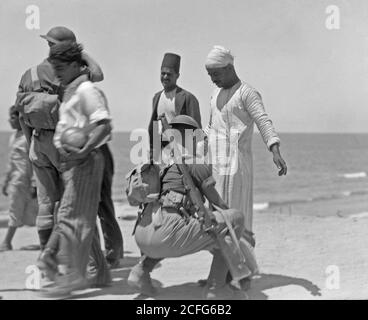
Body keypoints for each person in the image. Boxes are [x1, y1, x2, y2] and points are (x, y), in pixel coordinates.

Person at [130, 115, 248, 300]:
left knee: (173, 224)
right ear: (191, 137)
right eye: (198, 138)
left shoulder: (162, 166)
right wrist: (228, 213)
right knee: (235, 219)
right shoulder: (193, 162)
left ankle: (140, 272)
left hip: (143, 234)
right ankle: (216, 288)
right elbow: (214, 198)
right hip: (167, 235)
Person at [37, 41, 113, 297]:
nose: (55, 72)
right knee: (79, 217)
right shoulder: (71, 90)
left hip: (85, 161)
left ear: (73, 65)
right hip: (71, 163)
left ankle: (72, 278)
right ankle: (100, 273)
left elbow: (104, 125)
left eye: (59, 67)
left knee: (70, 218)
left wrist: (83, 150)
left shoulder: (87, 91)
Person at [204, 45, 287, 263]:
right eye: (210, 75)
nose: (213, 79)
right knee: (217, 219)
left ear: (229, 67)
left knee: (237, 216)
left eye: (216, 73)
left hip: (237, 166)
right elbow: (210, 127)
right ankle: (220, 272)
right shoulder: (214, 95)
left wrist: (274, 149)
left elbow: (263, 120)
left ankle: (242, 271)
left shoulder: (247, 93)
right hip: (216, 165)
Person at [148, 53, 202, 161]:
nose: (165, 77)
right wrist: (153, 152)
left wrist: (196, 157)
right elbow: (154, 127)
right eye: (163, 73)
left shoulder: (188, 98)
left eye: (169, 74)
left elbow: (197, 132)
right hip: (163, 153)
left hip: (184, 154)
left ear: (177, 75)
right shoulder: (157, 97)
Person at [0, 106, 38, 251]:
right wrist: (6, 182)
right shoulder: (13, 137)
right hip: (15, 181)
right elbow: (11, 162)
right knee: (17, 210)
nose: (10, 120)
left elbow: (34, 160)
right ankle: (7, 241)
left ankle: (7, 242)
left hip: (25, 179)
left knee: (22, 211)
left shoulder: (28, 137)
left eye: (13, 117)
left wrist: (34, 182)